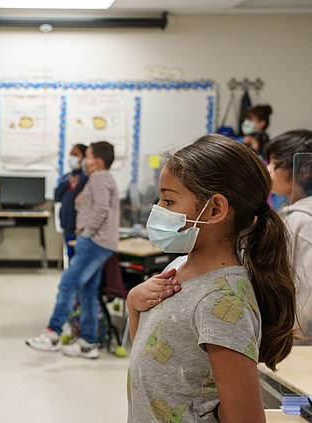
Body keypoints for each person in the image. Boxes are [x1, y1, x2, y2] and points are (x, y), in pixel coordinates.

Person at [126, 135, 296, 422]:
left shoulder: (222, 302)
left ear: (215, 209)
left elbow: (246, 418)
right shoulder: (179, 267)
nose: (158, 210)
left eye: (169, 200)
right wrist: (133, 304)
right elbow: (154, 360)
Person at [26, 141, 120, 359]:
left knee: (68, 284)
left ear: (97, 161)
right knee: (87, 292)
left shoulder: (97, 178)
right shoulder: (105, 179)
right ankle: (88, 343)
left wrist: (86, 233)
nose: (84, 161)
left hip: (94, 242)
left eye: (87, 156)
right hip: (100, 242)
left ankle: (52, 334)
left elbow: (101, 208)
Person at [266, 129, 312, 344]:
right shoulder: (295, 213)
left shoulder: (301, 221)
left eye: (275, 164)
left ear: (303, 171)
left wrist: (291, 343)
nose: (269, 170)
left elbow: (304, 294)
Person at [54, 144, 89, 260]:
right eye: (71, 154)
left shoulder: (87, 177)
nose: (72, 157)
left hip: (79, 226)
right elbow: (57, 196)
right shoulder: (67, 177)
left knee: (78, 257)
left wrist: (77, 183)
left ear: (84, 158)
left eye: (76, 154)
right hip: (67, 224)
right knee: (70, 256)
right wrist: (67, 183)